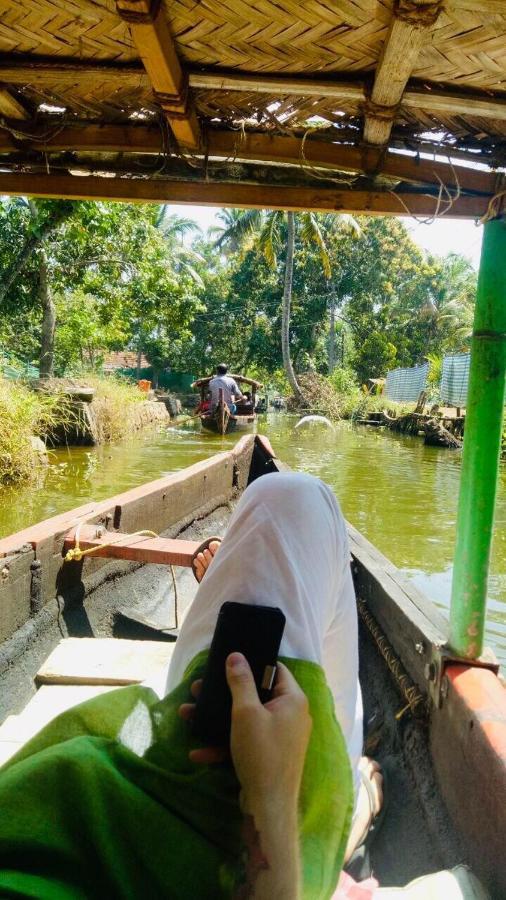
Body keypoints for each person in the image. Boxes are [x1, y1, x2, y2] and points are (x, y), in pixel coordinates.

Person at [0, 471, 378, 899]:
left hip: (66, 828)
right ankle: (345, 807)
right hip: (222, 844)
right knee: (290, 501)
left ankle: (346, 803)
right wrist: (270, 801)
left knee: (238, 642)